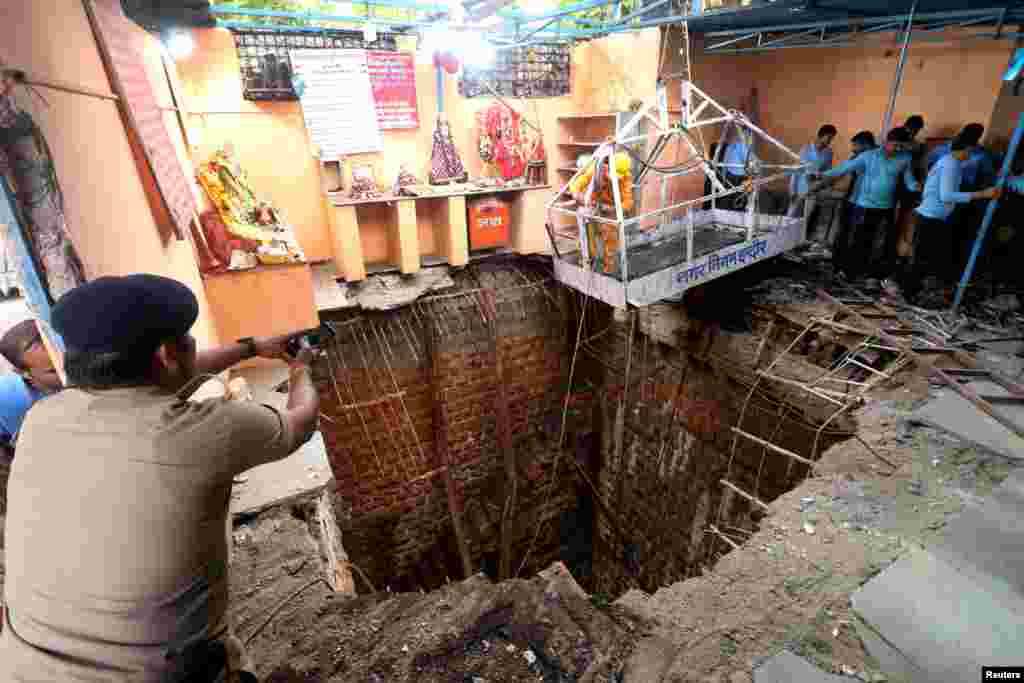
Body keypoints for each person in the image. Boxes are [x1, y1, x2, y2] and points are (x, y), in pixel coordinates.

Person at [0, 274, 321, 682]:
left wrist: (252, 348)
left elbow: (167, 376)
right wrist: (300, 368)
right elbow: (300, 422)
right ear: (168, 354)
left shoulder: (42, 419)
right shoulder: (208, 430)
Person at [810, 127, 919, 284]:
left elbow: (909, 180)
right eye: (895, 145)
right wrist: (822, 174)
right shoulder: (869, 156)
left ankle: (871, 274)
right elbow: (844, 168)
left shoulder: (905, 158)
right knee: (860, 240)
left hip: (886, 207)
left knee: (880, 242)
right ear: (886, 142)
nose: (898, 149)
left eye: (901, 146)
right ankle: (850, 272)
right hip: (865, 205)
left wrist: (916, 186)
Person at [900, 135, 1001, 302]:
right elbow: (947, 195)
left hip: (932, 215)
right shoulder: (951, 164)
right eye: (970, 151)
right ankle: (910, 293)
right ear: (966, 149)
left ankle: (912, 291)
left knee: (923, 257)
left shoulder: (948, 161)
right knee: (922, 258)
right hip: (931, 216)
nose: (970, 155)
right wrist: (982, 194)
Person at [0, 319, 61, 460]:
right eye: (53, 371)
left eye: (65, 361)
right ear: (23, 373)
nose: (66, 373)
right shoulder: (12, 401)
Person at [787, 125, 838, 237]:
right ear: (821, 136)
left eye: (832, 138)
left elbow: (827, 171)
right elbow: (796, 170)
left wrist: (822, 179)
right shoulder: (805, 150)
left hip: (814, 190)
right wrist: (792, 190)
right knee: (790, 217)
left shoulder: (828, 153)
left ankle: (797, 241)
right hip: (799, 188)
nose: (830, 141)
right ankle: (783, 241)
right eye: (828, 137)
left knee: (806, 218)